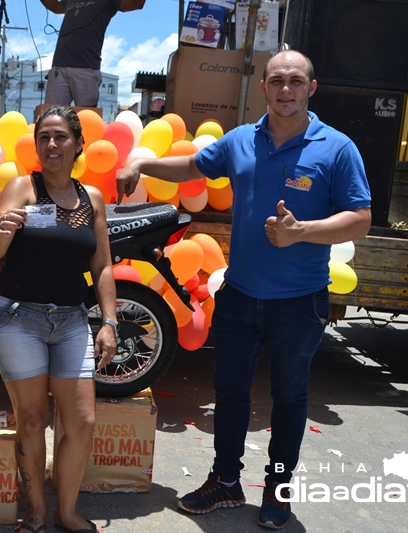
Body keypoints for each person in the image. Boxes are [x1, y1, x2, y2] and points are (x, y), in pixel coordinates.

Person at [116, 50, 372, 529]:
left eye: (296, 81)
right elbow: (192, 166)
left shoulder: (336, 148)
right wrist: (145, 164)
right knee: (230, 391)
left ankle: (278, 489)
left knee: (291, 397)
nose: (286, 89)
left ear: (311, 88)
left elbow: (360, 219)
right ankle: (226, 482)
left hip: (299, 301)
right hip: (239, 295)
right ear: (264, 88)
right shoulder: (240, 142)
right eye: (277, 80)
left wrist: (303, 231)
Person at [0, 105, 117, 533]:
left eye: (61, 137)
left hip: (73, 320)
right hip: (18, 319)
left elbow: (103, 267)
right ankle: (37, 511)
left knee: (81, 421)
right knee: (34, 419)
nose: (52, 145)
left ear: (78, 144)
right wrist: (4, 227)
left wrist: (109, 321)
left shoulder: (91, 198)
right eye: (44, 137)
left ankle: (67, 511)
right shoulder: (22, 187)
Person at [41, 0, 145, 107]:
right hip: (59, 68)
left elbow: (136, 4)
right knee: (51, 117)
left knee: (87, 119)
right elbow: (55, 6)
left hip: (86, 68)